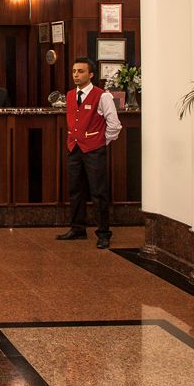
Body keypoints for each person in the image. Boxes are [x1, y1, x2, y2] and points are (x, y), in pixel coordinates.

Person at [55, 57, 122, 248]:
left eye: (81, 71)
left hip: (94, 150)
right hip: (74, 149)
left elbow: (114, 125)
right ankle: (77, 229)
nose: (76, 75)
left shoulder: (103, 96)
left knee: (98, 192)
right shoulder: (70, 95)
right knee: (75, 190)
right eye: (74, 71)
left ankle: (103, 233)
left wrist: (101, 142)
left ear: (91, 74)